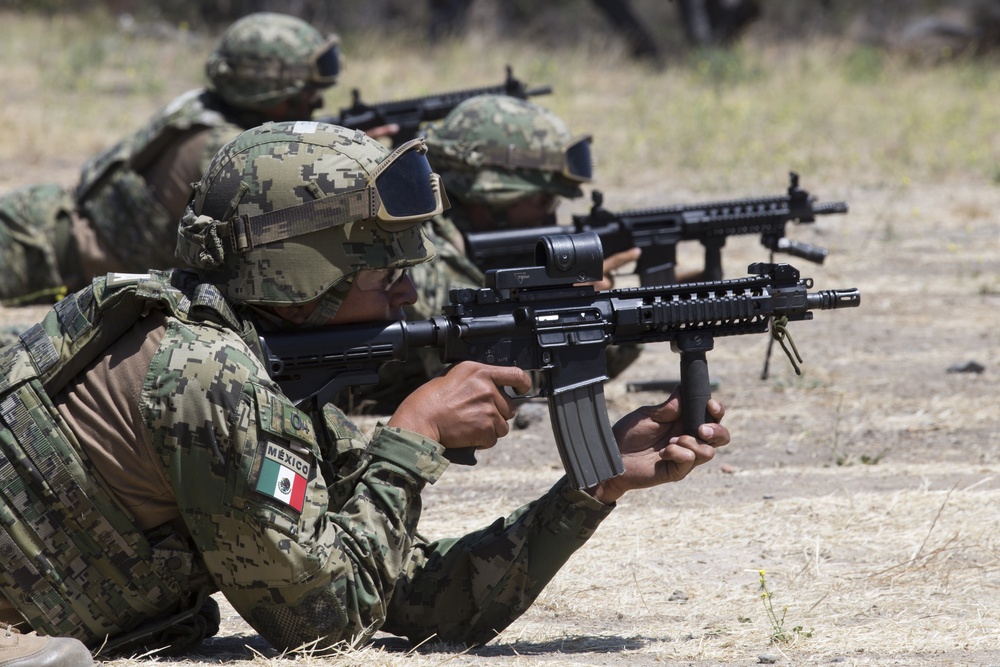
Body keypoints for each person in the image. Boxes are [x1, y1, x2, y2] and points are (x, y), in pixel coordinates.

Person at [0, 121, 730, 661]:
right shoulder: (206, 378)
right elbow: (324, 620)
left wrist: (588, 489)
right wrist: (414, 435)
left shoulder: (252, 363)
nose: (408, 290)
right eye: (384, 274)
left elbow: (408, 591)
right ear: (297, 274)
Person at [0, 11, 359, 307]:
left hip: (40, 220)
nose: (317, 101)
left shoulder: (205, 107)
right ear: (269, 90)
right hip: (38, 257)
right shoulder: (225, 154)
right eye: (306, 91)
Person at [337, 93, 642, 414]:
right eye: (543, 201)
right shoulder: (414, 252)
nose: (551, 218)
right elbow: (501, 381)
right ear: (489, 192)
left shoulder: (460, 244)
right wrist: (580, 311)